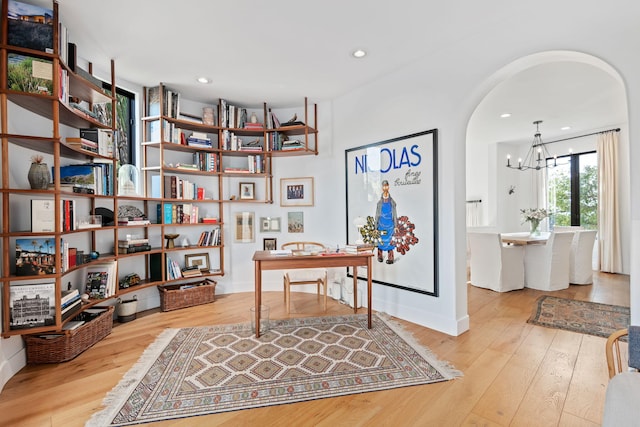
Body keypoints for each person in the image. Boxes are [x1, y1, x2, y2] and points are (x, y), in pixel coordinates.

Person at [375, 180, 397, 264]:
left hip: (390, 224)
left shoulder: (392, 202)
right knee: (381, 240)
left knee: (390, 240)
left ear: (388, 187)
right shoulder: (379, 203)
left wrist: (396, 225)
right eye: (384, 186)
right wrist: (375, 227)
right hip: (381, 224)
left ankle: (391, 257)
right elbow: (377, 215)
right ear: (382, 188)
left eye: (386, 186)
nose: (385, 188)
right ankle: (379, 255)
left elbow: (395, 214)